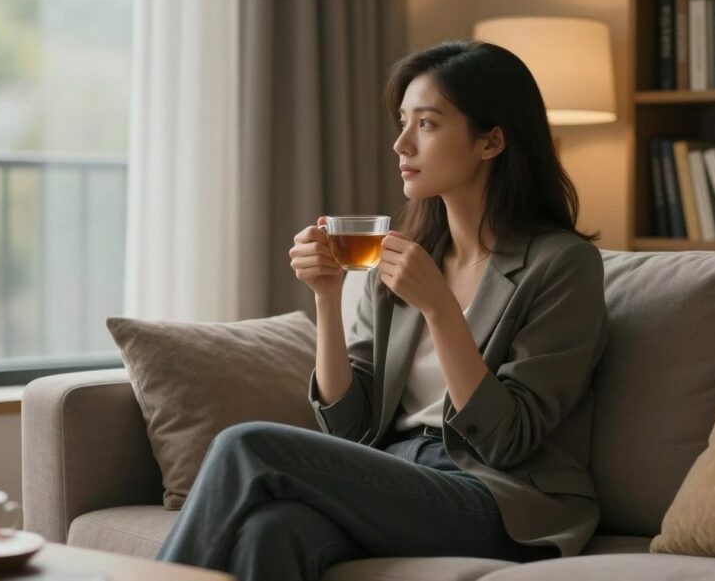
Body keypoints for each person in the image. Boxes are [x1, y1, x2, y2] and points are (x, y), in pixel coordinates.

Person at [157, 40, 609, 581]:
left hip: (500, 499)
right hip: (398, 475)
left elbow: (505, 440)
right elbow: (347, 431)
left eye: (427, 124)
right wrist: (326, 295)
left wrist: (441, 309)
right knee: (272, 531)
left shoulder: (563, 265)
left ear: (490, 142)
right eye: (402, 122)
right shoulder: (403, 259)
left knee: (246, 444)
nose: (400, 143)